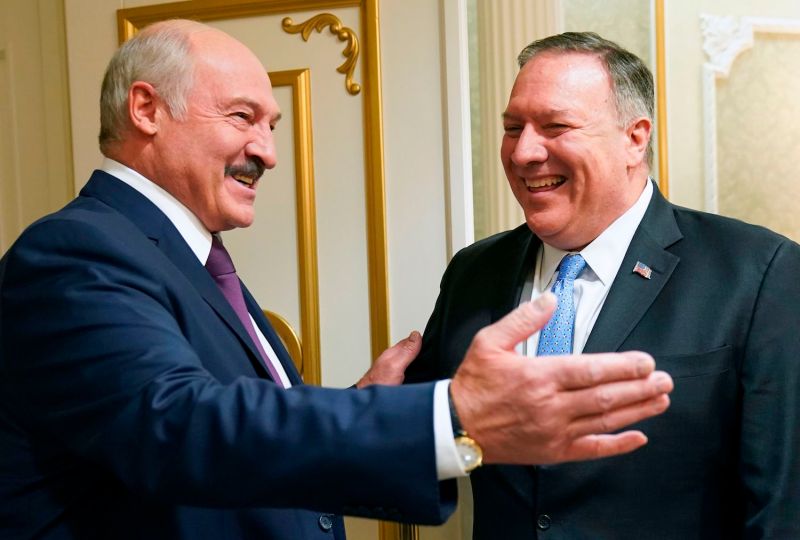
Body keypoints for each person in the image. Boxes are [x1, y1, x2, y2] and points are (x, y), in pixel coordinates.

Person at [0, 21, 674, 540]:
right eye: (242, 117)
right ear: (147, 109)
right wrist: (449, 418)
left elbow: (236, 437)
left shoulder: (182, 256)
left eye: (272, 125)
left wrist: (364, 405)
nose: (268, 151)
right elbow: (179, 425)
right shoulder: (76, 253)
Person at [406, 31, 800, 539]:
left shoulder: (758, 272)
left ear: (635, 138)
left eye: (556, 126)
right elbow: (418, 442)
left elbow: (782, 507)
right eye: (513, 127)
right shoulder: (474, 272)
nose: (524, 152)